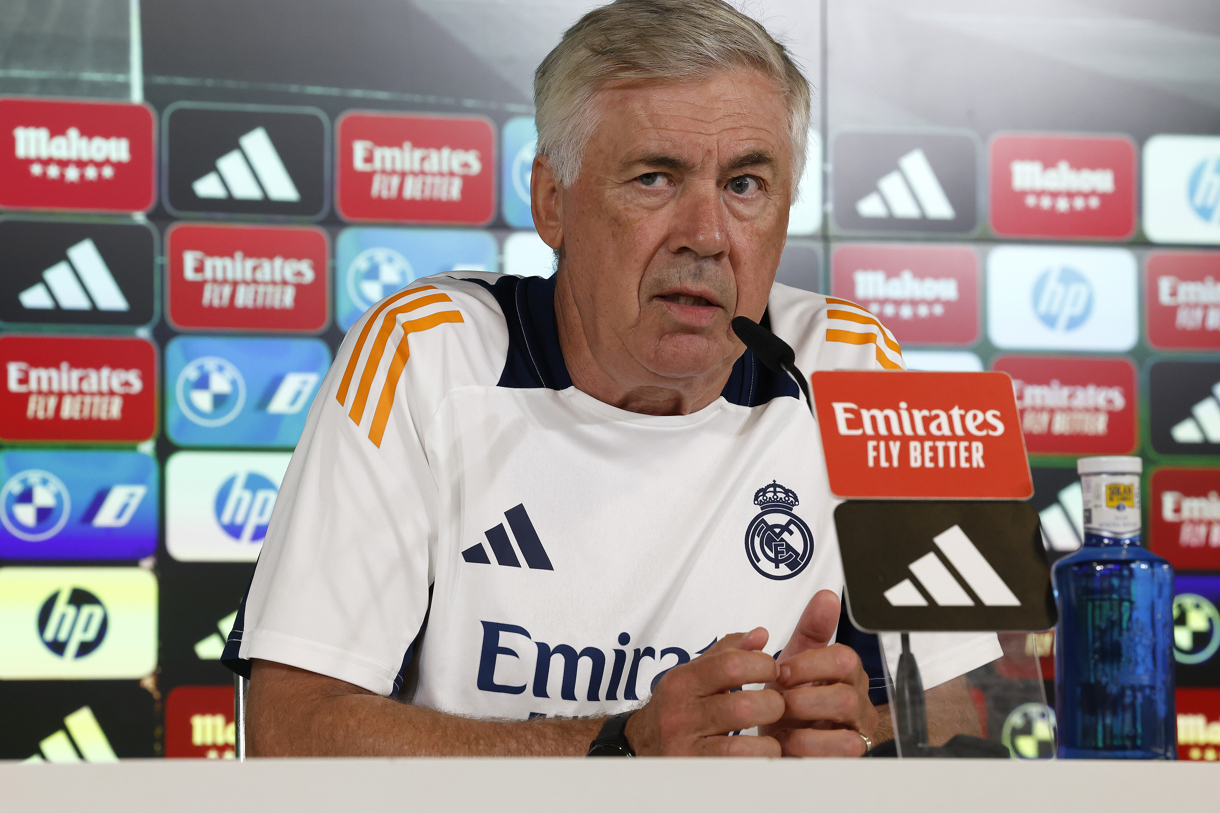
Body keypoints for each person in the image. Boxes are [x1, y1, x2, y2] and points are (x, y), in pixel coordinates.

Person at [223, 0, 998, 757]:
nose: (707, 237)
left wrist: (855, 738)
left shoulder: (861, 365)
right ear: (552, 203)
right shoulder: (424, 355)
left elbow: (957, 718)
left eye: (745, 185)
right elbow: (288, 731)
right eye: (656, 178)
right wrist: (621, 748)